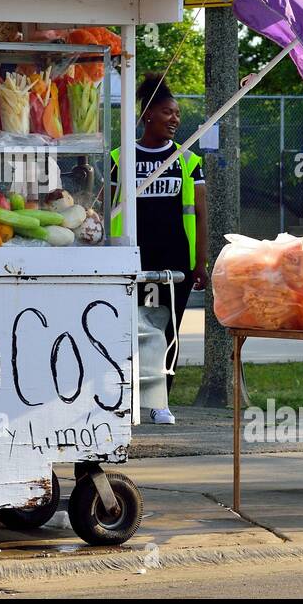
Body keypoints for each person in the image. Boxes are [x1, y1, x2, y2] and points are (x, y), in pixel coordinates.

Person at [109, 74, 208, 425]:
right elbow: (106, 209)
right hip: (132, 256)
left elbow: (200, 214)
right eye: (168, 112)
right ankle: (126, 395)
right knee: (130, 327)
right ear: (148, 113)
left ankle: (160, 398)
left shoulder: (188, 160)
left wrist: (201, 261)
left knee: (168, 329)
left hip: (174, 259)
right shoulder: (119, 158)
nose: (176, 119)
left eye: (178, 113)